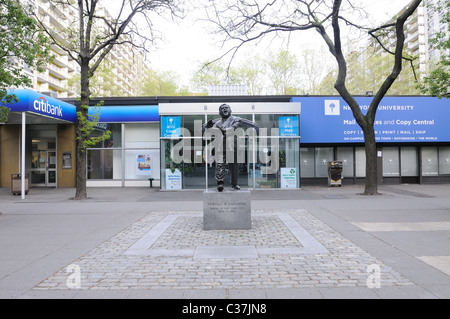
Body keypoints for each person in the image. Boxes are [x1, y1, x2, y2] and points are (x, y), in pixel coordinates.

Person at [203, 104, 258, 192]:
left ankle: (234, 183)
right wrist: (209, 128)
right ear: (219, 112)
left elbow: (233, 127)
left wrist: (222, 130)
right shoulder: (217, 123)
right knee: (220, 164)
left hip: (232, 146)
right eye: (222, 108)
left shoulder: (236, 119)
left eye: (226, 108)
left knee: (234, 166)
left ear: (230, 110)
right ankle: (220, 182)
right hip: (220, 146)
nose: (224, 109)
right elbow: (212, 132)